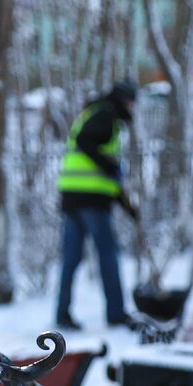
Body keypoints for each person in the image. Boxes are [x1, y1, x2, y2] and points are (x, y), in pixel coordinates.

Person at [55, 81, 139, 330]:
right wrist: (110, 165)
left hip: (73, 197)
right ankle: (116, 313)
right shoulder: (106, 115)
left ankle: (62, 314)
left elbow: (105, 170)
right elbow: (88, 145)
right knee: (108, 256)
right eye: (132, 102)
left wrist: (127, 206)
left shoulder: (93, 112)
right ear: (123, 100)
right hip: (91, 200)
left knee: (70, 259)